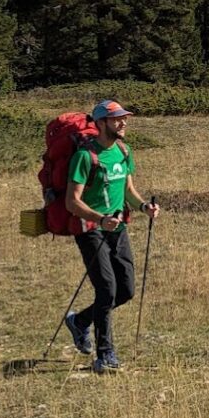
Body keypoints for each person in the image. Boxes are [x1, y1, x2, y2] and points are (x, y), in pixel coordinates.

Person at [63, 99, 159, 373]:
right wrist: (100, 219)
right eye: (117, 119)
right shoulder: (85, 156)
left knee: (125, 291)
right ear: (101, 123)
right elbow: (72, 202)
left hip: (117, 229)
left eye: (124, 118)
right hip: (91, 230)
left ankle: (80, 322)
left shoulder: (124, 151)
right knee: (107, 289)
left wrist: (143, 206)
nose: (123, 122)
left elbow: (129, 189)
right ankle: (105, 356)